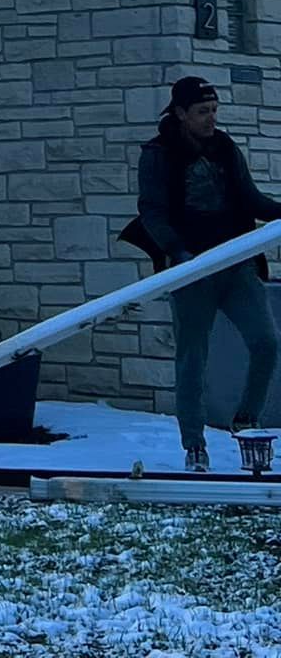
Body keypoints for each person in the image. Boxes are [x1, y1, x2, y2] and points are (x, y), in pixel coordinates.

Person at [135, 76, 281, 471]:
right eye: (202, 112)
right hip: (192, 268)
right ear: (181, 113)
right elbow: (152, 211)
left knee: (267, 342)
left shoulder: (225, 147)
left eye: (214, 111)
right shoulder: (159, 154)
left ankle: (246, 418)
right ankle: (194, 445)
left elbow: (250, 197)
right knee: (192, 359)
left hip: (237, 264)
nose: (211, 119)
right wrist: (177, 252)